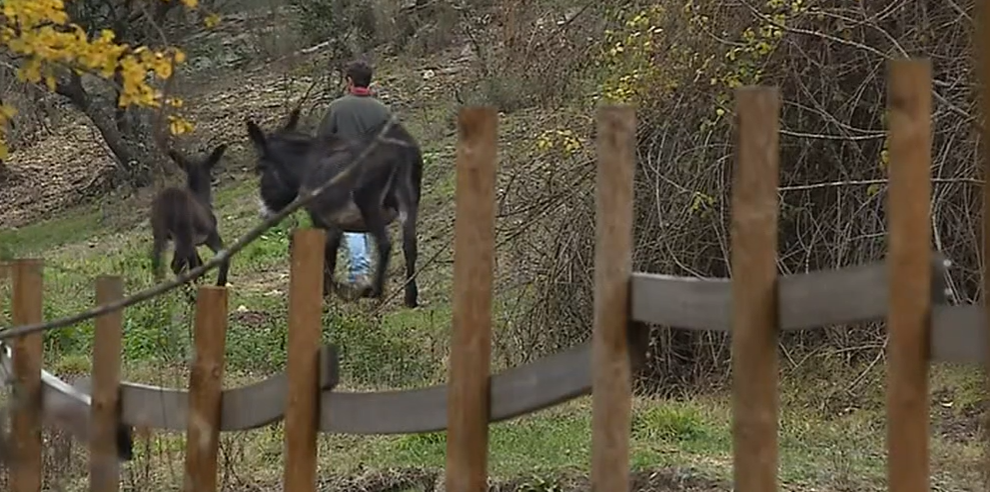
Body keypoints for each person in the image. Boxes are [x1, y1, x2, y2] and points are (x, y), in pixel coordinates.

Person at [316, 59, 391, 291]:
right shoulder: (382, 110)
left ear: (349, 81)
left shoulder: (337, 107)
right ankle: (359, 273)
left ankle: (355, 273)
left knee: (348, 222)